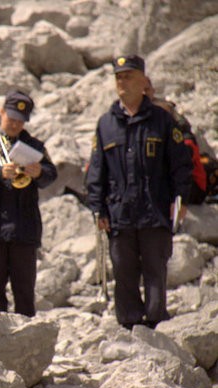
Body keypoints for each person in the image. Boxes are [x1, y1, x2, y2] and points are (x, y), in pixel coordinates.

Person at [86, 55, 193, 329]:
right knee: (123, 270)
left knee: (155, 270)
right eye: (118, 77)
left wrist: (180, 199)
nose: (122, 82)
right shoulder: (105, 123)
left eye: (129, 76)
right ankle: (130, 326)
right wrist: (97, 207)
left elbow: (180, 164)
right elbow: (97, 170)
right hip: (119, 212)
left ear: (144, 81)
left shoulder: (162, 119)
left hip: (155, 209)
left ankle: (156, 324)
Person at [0, 90, 57, 317]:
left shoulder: (33, 145)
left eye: (21, 121)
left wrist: (38, 172)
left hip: (23, 227)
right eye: (12, 118)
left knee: (25, 289)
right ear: (2, 112)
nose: (15, 124)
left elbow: (51, 173)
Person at [144, 76, 208, 204]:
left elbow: (186, 148)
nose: (143, 93)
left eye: (146, 89)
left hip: (187, 184)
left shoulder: (168, 112)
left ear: (152, 90)